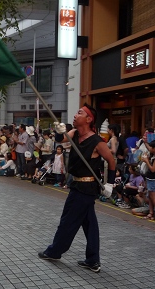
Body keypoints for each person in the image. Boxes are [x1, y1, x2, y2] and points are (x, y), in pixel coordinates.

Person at [38, 103, 116, 273]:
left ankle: (55, 251)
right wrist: (59, 131)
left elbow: (111, 161)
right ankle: (93, 260)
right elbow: (60, 140)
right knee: (89, 224)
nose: (75, 115)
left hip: (86, 187)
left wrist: (110, 183)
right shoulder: (73, 133)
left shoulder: (97, 141)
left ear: (88, 119)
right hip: (77, 184)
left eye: (79, 113)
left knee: (68, 221)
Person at [141, 139, 155, 220]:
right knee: (150, 197)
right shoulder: (153, 157)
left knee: (153, 197)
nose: (149, 148)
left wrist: (147, 161)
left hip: (154, 180)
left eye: (151, 147)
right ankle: (151, 212)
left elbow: (153, 169)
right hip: (150, 178)